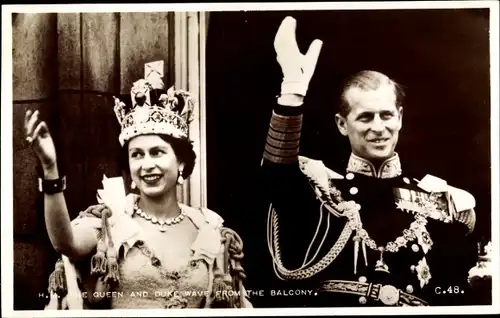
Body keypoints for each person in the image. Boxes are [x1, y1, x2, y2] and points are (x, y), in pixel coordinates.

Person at [261, 16, 480, 307]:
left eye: (386, 115)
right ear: (342, 124)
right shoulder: (323, 191)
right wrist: (292, 91)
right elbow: (276, 176)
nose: (378, 127)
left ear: (399, 117)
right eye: (365, 117)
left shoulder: (436, 199)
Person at [25, 65, 252, 309]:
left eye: (157, 153)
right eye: (137, 155)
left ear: (182, 163)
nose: (147, 165)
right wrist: (50, 169)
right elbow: (65, 242)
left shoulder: (209, 228)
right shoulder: (111, 223)